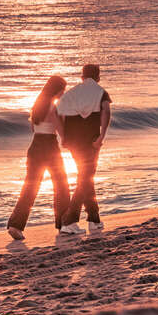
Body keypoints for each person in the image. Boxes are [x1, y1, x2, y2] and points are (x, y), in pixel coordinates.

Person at [7, 75, 70, 241]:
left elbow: (33, 128)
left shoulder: (37, 107)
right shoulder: (54, 107)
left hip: (35, 146)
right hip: (49, 146)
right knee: (61, 185)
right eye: (63, 90)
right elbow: (61, 131)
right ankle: (64, 225)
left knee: (30, 187)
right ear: (57, 90)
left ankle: (15, 225)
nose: (64, 93)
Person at [57, 63, 111, 235]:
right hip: (90, 141)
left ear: (82, 76)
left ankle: (94, 220)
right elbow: (106, 112)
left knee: (86, 176)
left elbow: (60, 115)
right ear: (98, 77)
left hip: (73, 141)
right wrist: (102, 136)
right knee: (86, 178)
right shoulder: (100, 92)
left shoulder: (71, 93)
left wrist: (64, 137)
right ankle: (69, 221)